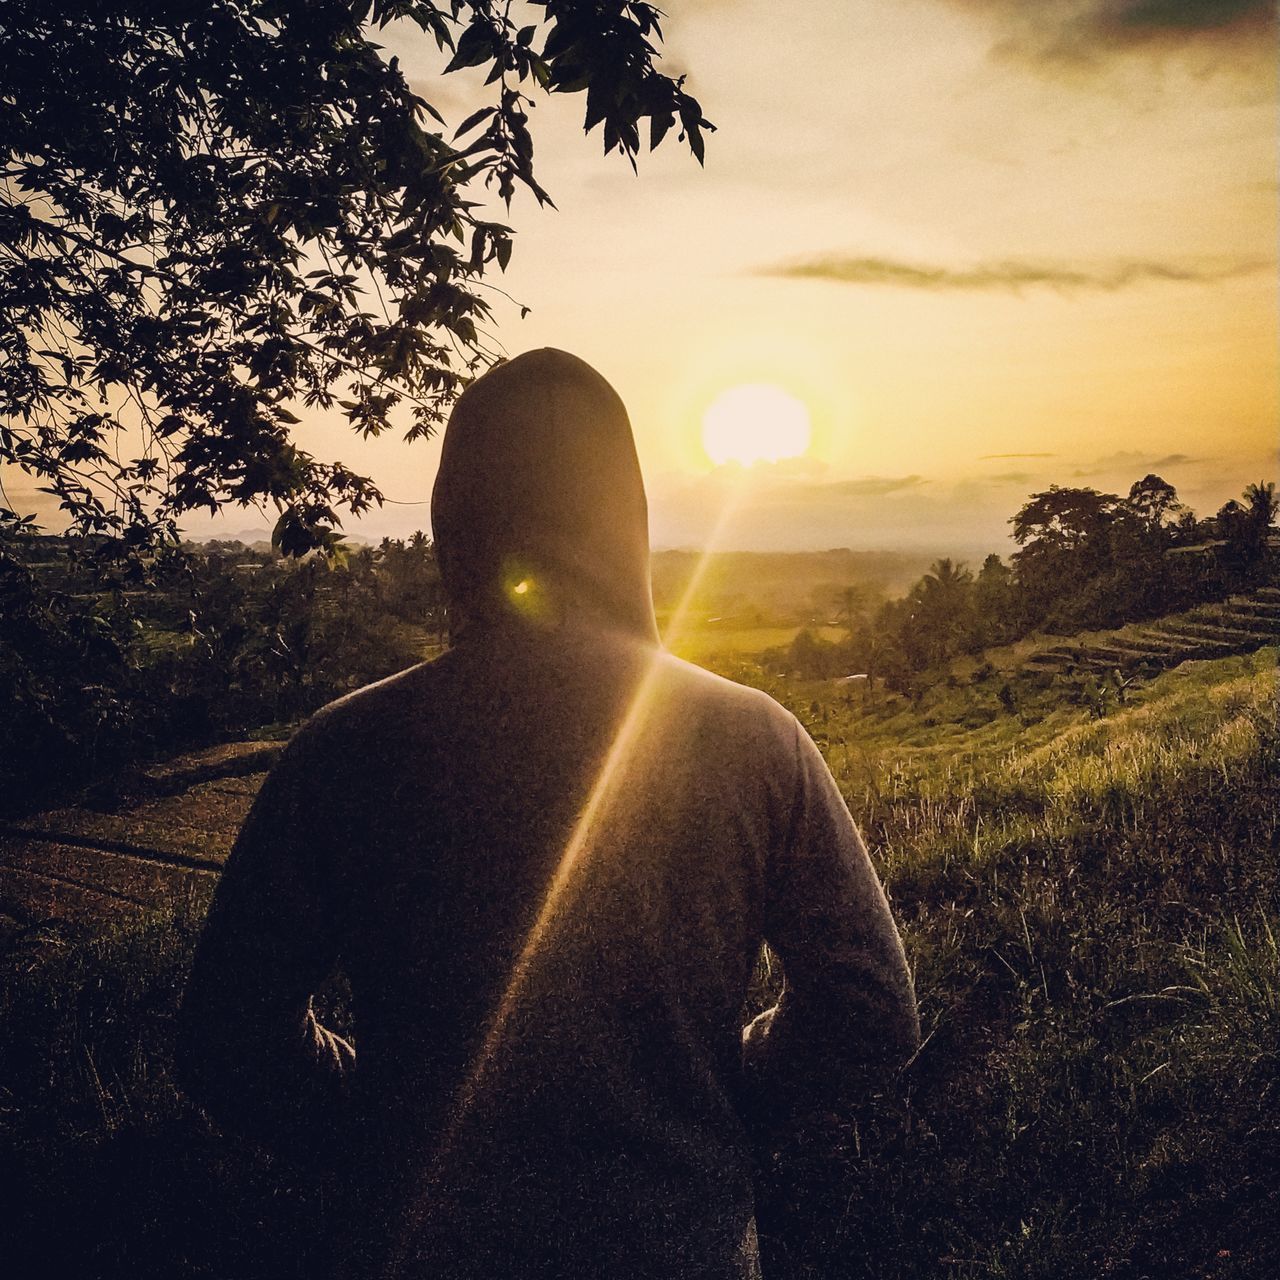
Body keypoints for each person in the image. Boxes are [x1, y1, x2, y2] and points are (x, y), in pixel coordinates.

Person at [177, 348, 919, 1279]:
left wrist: (381, 1131)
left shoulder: (346, 751)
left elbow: (224, 1037)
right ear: (631, 519)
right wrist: (709, 1110)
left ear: (456, 517)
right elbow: (871, 1013)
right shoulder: (753, 740)